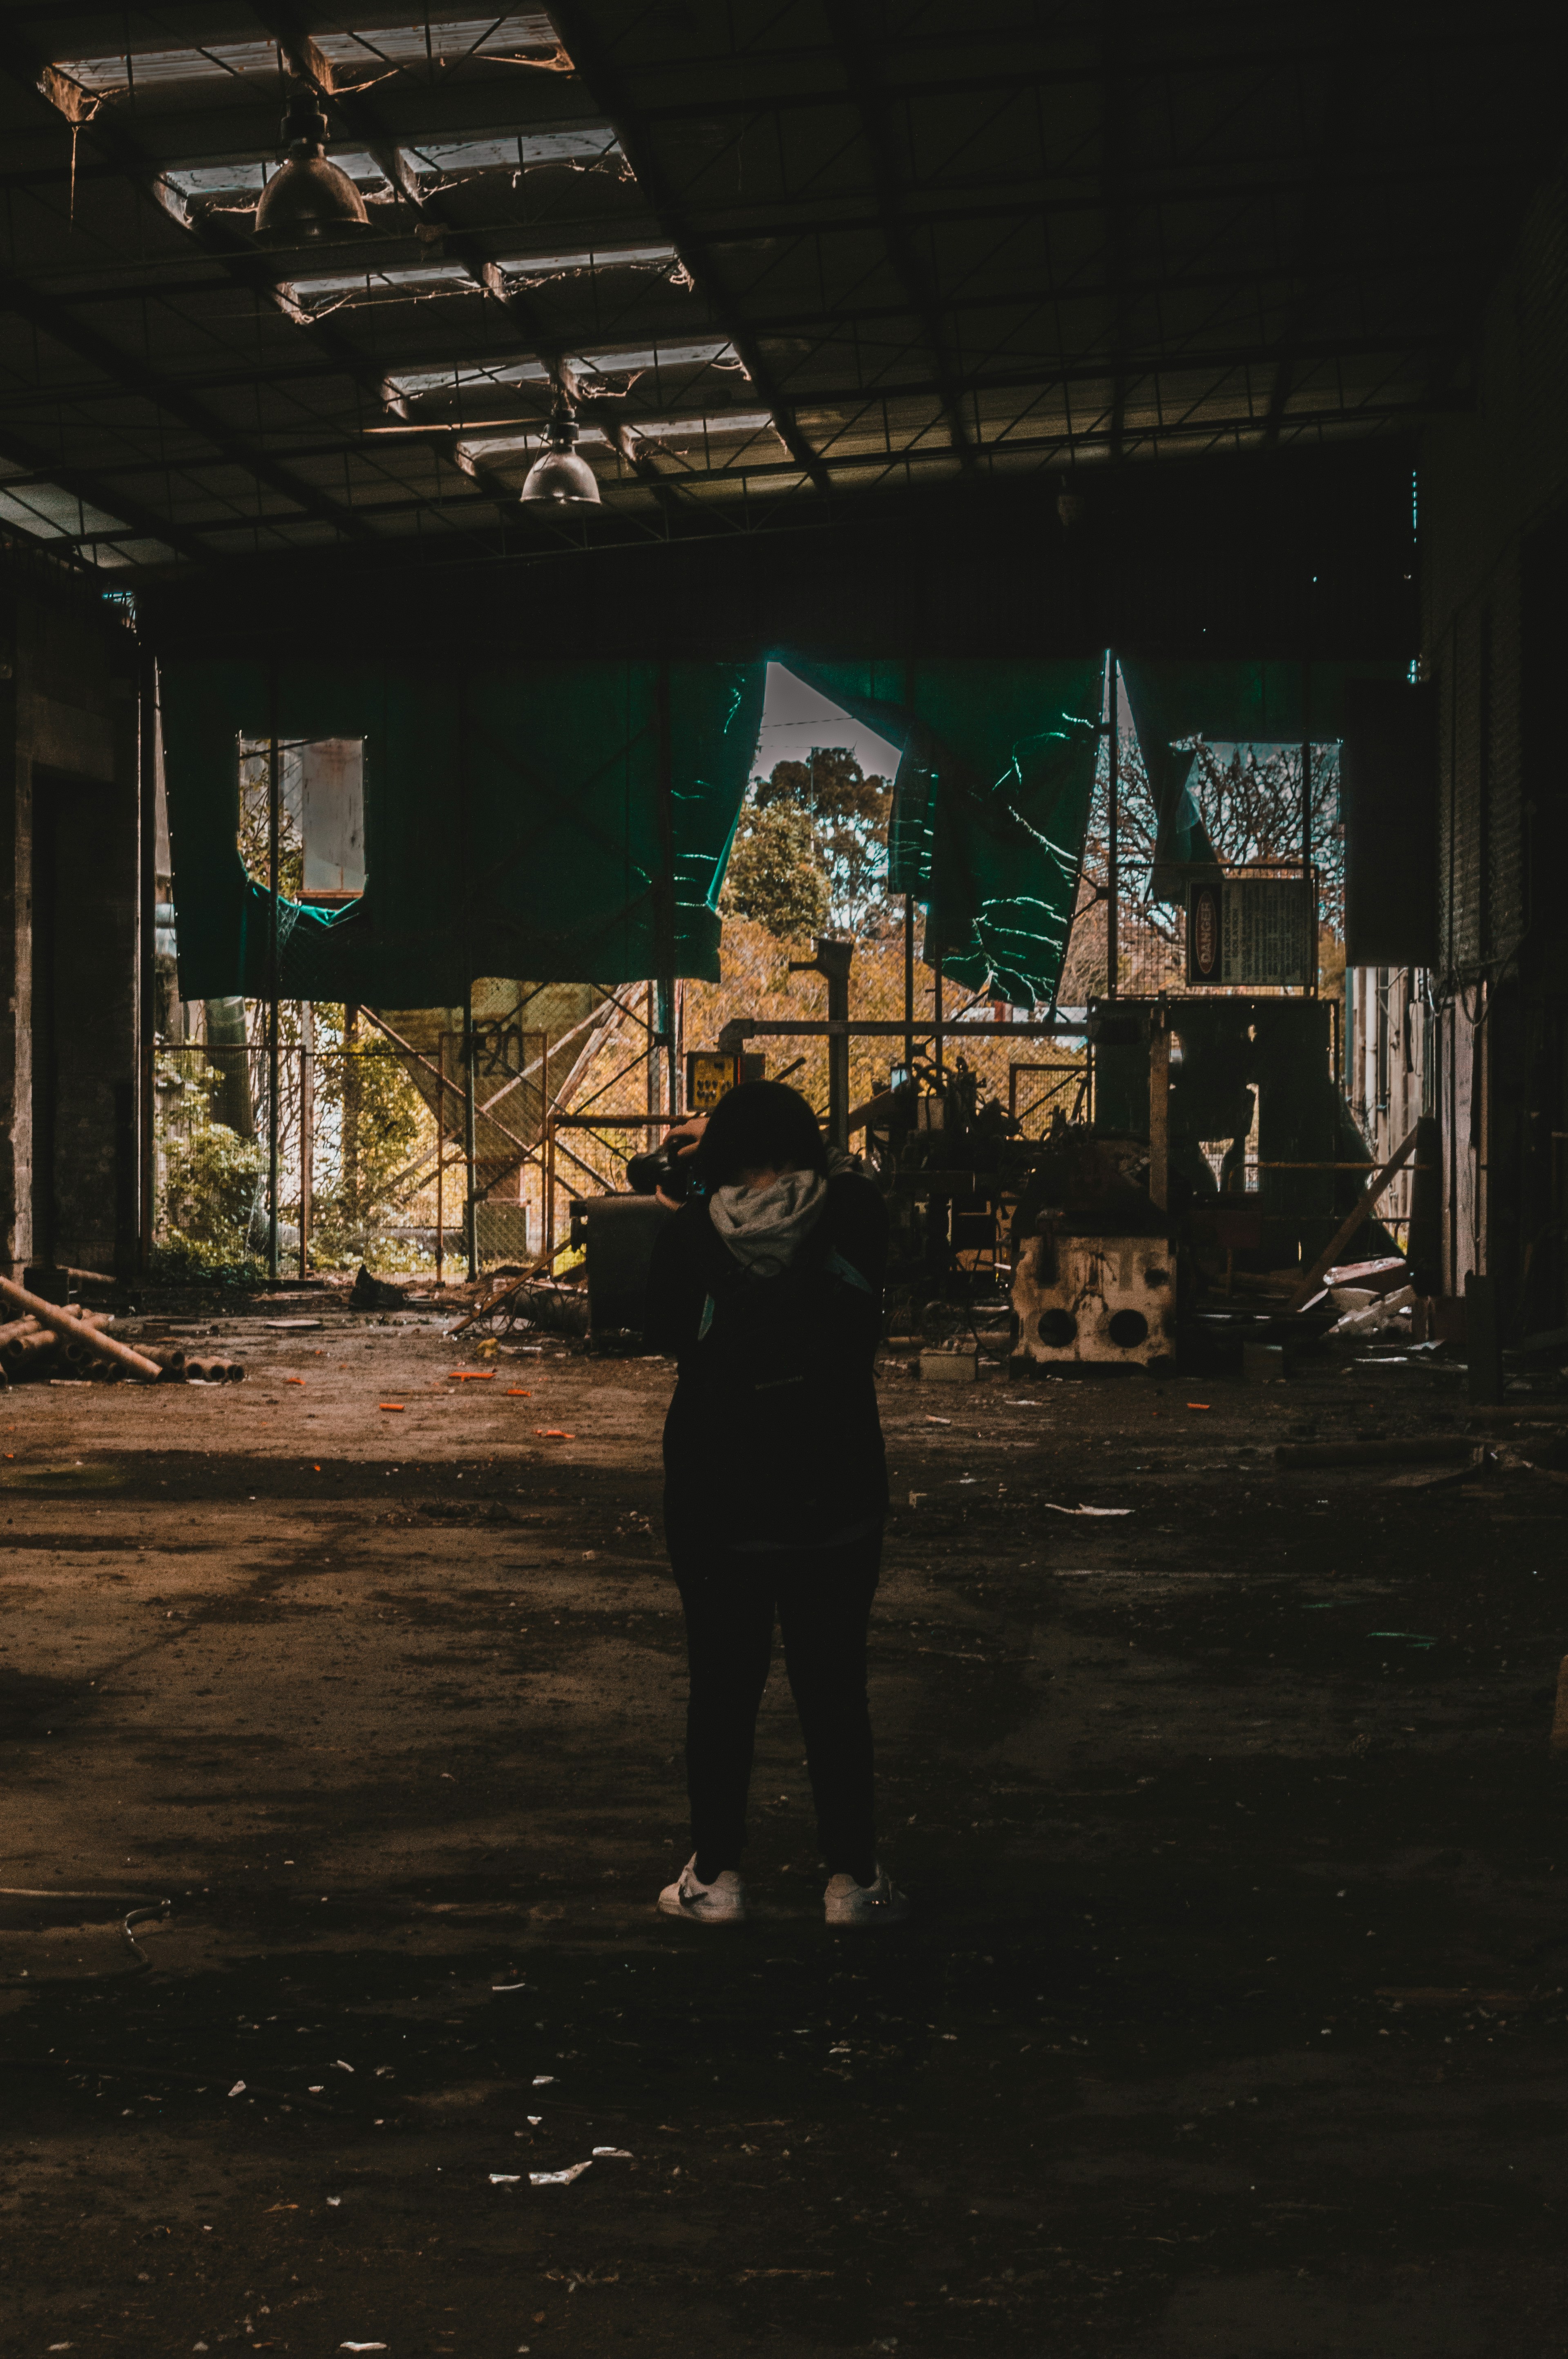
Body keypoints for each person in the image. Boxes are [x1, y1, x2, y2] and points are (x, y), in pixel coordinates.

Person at [642, 1080, 909, 1927]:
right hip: (837, 1493)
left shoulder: (687, 1235)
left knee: (722, 1686)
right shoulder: (854, 1218)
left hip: (717, 1497)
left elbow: (662, 1332)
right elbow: (864, 1216)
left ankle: (715, 1877)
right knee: (834, 1686)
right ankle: (852, 1880)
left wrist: (692, 1176)